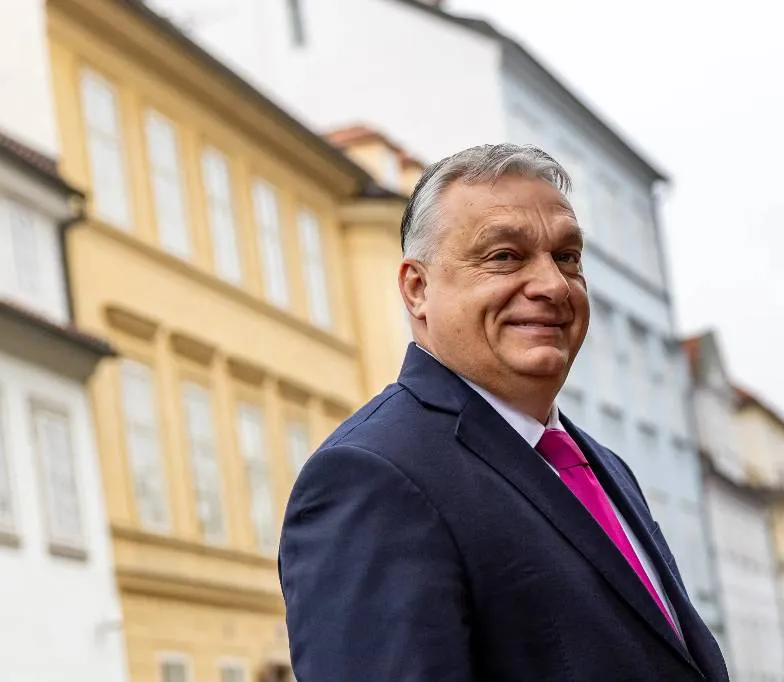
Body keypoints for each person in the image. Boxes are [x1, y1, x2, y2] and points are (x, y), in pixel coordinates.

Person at [278, 144, 729, 681]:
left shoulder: (603, 466)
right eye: (504, 256)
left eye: (567, 257)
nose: (553, 285)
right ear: (417, 288)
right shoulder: (372, 476)